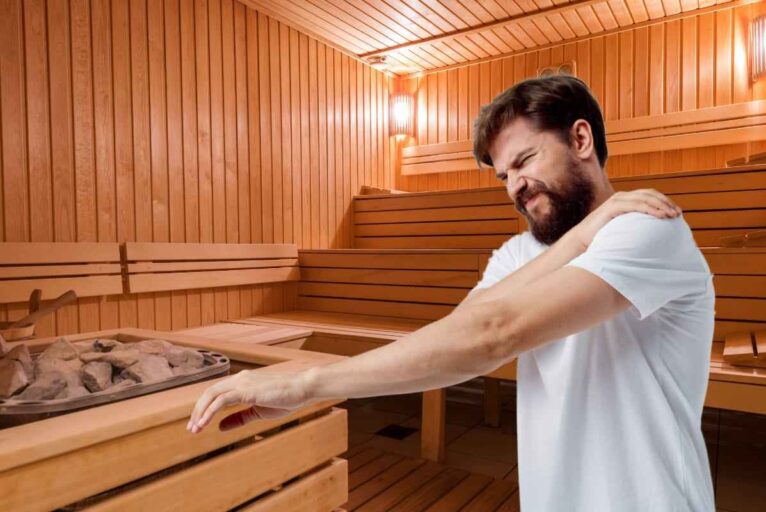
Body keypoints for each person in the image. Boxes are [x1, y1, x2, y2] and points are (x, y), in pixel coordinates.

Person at [187, 76, 716, 512]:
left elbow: (493, 334)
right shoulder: (516, 254)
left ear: (581, 140)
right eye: (505, 174)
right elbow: (460, 339)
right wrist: (577, 237)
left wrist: (307, 385)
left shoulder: (647, 225)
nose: (515, 186)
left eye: (526, 160)